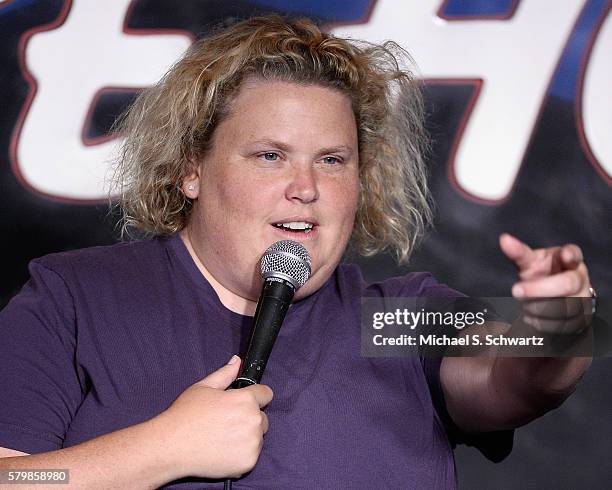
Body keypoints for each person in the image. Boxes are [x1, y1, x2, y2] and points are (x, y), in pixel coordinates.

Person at [0, 15, 593, 489]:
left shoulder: (394, 317)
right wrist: (156, 450)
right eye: (270, 155)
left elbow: (519, 373)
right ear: (190, 169)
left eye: (332, 160)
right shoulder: (75, 298)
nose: (306, 187)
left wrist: (559, 326)